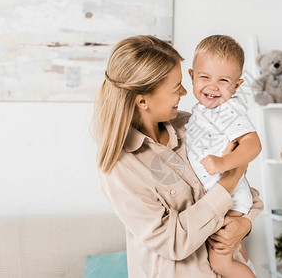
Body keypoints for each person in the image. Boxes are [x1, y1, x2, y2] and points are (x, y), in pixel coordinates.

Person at [93, 35, 263, 278]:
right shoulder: (120, 166)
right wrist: (230, 178)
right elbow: (172, 241)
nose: (185, 91)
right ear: (143, 100)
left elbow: (247, 193)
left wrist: (244, 225)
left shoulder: (195, 125)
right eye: (176, 87)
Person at [186, 35, 262, 278]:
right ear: (191, 76)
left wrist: (223, 163)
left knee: (221, 263)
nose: (212, 86)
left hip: (230, 198)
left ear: (237, 86)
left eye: (223, 80)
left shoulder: (229, 110)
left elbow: (253, 144)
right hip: (217, 196)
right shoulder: (202, 111)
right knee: (230, 253)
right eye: (204, 77)